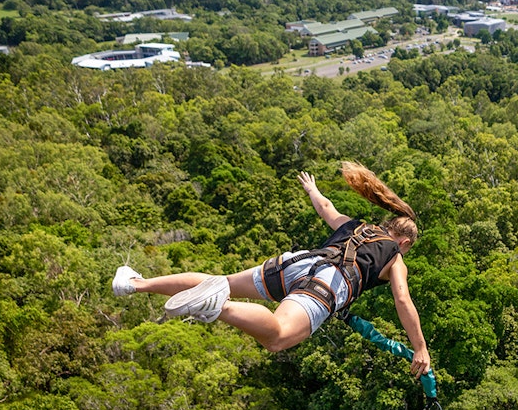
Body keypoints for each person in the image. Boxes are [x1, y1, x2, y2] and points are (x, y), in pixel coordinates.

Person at [112, 162, 430, 378]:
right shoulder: (395, 257)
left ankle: (135, 283)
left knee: (219, 281)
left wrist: (311, 189)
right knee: (276, 336)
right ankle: (217, 307)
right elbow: (402, 300)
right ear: (403, 242)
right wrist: (420, 347)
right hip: (326, 284)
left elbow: (326, 208)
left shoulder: (357, 226)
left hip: (296, 262)